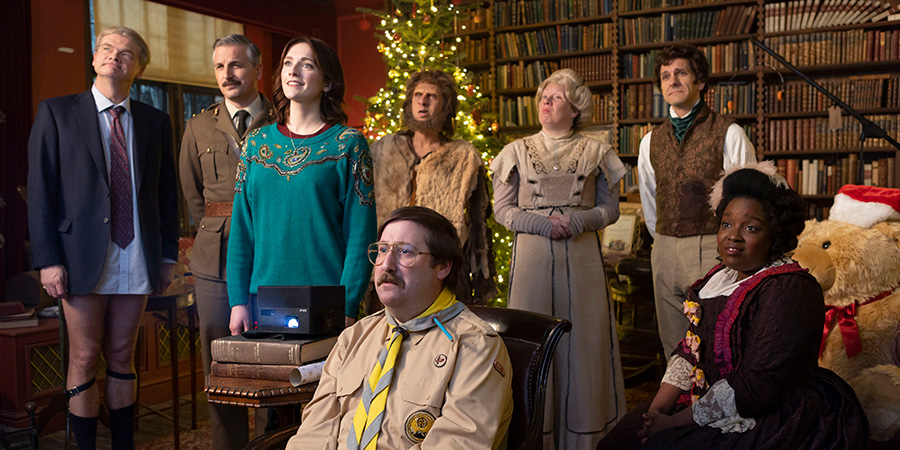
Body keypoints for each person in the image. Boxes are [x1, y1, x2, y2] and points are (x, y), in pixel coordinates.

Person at [597, 162, 869, 450]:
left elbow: (759, 385)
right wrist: (656, 412)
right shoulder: (716, 279)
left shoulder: (790, 289)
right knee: (623, 438)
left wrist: (674, 423)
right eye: (727, 224)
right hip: (709, 401)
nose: (733, 236)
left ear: (774, 234)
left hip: (771, 413)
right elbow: (690, 350)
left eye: (750, 228)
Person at [27, 26, 178, 449]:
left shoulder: (155, 121)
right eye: (107, 49)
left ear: (139, 68)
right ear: (94, 60)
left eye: (127, 53)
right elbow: (41, 191)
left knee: (121, 357)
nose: (116, 57)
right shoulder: (57, 113)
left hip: (136, 254)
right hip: (79, 256)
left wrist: (167, 256)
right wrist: (47, 260)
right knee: (83, 356)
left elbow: (167, 194)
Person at [287, 206, 513, 449]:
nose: (387, 265)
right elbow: (314, 432)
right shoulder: (353, 338)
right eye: (383, 250)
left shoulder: (475, 346)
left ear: (443, 267)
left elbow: (457, 443)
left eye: (405, 251)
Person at [490, 68, 627, 449]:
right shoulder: (514, 152)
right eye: (543, 97)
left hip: (582, 258)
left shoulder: (598, 151)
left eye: (557, 97)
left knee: (584, 343)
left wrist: (578, 220)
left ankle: (584, 438)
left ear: (575, 107)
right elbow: (501, 211)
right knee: (531, 338)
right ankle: (534, 438)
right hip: (533, 258)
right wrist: (539, 224)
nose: (546, 103)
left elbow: (610, 210)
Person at [227, 36, 375, 332]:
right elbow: (242, 229)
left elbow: (361, 235)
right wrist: (237, 301)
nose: (293, 71)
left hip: (327, 299)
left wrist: (347, 305)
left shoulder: (348, 144)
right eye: (287, 63)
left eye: (307, 65)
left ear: (328, 82)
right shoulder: (257, 144)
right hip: (262, 298)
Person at [179, 34, 275, 450]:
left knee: (278, 354)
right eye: (219, 66)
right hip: (215, 258)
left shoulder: (283, 119)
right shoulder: (199, 125)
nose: (227, 74)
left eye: (236, 65)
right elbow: (192, 195)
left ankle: (277, 440)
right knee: (219, 360)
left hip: (274, 252)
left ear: (257, 70)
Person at [637, 44, 757, 357]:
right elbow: (650, 201)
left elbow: (749, 201)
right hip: (663, 249)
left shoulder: (729, 133)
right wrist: (661, 240)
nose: (672, 81)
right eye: (665, 76)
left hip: (711, 247)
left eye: (680, 73)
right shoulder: (649, 141)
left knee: (715, 343)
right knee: (673, 345)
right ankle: (676, 407)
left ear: (700, 81)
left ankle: (712, 408)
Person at [370, 69, 496, 305]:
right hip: (388, 269)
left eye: (432, 96)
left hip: (441, 272)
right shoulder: (382, 151)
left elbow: (480, 224)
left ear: (446, 107)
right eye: (418, 95)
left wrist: (481, 278)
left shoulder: (463, 157)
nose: (423, 101)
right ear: (409, 103)